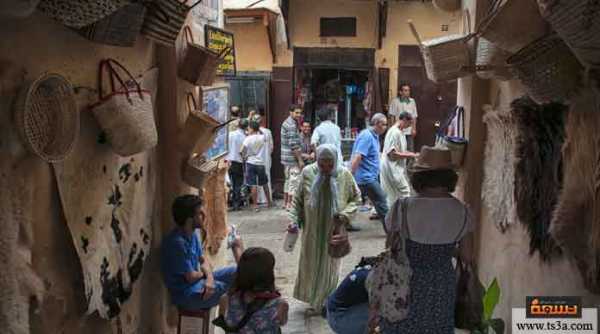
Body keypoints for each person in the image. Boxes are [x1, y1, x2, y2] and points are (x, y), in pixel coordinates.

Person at [378, 146, 474, 333]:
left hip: (403, 282)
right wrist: (444, 248)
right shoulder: (463, 212)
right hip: (441, 284)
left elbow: (390, 246)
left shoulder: (401, 208)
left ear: (418, 177)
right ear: (450, 178)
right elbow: (467, 256)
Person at [290, 144, 361, 315]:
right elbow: (298, 201)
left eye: (330, 165)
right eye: (322, 165)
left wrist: (344, 215)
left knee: (330, 266)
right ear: (317, 160)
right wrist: (293, 221)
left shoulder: (343, 174)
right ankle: (315, 299)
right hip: (311, 232)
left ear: (336, 161)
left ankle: (324, 302)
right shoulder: (308, 173)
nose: (326, 169)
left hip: (334, 231)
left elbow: (356, 198)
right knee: (311, 264)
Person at [161, 195, 244, 313]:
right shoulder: (176, 243)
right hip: (186, 294)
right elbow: (191, 277)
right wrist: (207, 274)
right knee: (235, 290)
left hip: (198, 281)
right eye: (200, 213)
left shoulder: (193, 234)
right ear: (190, 220)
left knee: (238, 271)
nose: (204, 216)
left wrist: (209, 278)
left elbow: (203, 260)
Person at [215, 247, 289, 333]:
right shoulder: (280, 305)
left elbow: (224, 322)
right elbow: (282, 322)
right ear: (269, 275)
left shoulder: (225, 299)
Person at [350, 113, 388, 232]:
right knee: (381, 199)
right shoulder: (367, 136)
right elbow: (358, 156)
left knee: (352, 201)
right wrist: (350, 174)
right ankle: (391, 230)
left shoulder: (374, 136)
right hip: (365, 177)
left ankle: (343, 224)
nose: (385, 127)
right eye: (383, 124)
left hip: (369, 175)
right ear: (376, 124)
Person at [380, 111, 419, 208]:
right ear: (404, 120)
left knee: (391, 194)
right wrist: (410, 156)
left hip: (394, 167)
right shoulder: (394, 132)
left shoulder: (400, 132)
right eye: (409, 124)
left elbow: (401, 150)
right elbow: (392, 154)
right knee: (404, 190)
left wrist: (413, 154)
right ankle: (404, 214)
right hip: (391, 166)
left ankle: (393, 213)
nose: (409, 127)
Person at [326, 264, 371, 334]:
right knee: (382, 308)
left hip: (333, 311)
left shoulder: (374, 269)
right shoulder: (375, 278)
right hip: (338, 318)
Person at [241, 120, 272, 212]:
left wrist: (244, 157)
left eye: (249, 128)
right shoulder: (262, 137)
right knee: (264, 183)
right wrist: (259, 129)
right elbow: (264, 136)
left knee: (253, 184)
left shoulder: (248, 139)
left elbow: (241, 150)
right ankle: (269, 202)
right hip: (261, 163)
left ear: (251, 128)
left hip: (250, 162)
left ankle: (255, 205)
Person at [281, 105, 304, 209]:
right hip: (291, 159)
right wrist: (300, 160)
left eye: (300, 113)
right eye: (296, 113)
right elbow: (293, 145)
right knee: (294, 182)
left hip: (287, 159)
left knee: (288, 181)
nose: (299, 115)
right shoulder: (291, 125)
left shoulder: (291, 122)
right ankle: (291, 205)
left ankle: (286, 203)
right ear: (291, 112)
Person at [388, 83, 418, 151]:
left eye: (408, 90)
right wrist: (393, 128)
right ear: (400, 92)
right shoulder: (395, 101)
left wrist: (414, 129)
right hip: (398, 130)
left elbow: (414, 116)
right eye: (405, 90)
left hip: (409, 130)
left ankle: (410, 161)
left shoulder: (412, 101)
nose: (407, 92)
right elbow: (392, 116)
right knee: (399, 148)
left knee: (410, 149)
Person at [227, 119, 248, 210]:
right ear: (246, 127)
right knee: (237, 184)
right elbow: (244, 152)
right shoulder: (244, 137)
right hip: (237, 162)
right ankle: (236, 204)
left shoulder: (230, 134)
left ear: (238, 125)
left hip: (227, 161)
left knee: (227, 183)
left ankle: (227, 204)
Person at [253, 111, 274, 206]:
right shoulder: (268, 132)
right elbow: (271, 147)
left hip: (255, 160)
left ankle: (257, 200)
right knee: (266, 178)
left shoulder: (251, 134)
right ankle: (267, 199)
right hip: (265, 159)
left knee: (256, 180)